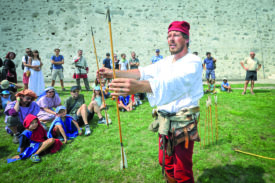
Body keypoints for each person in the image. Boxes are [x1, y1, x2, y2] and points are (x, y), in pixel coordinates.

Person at [98, 20, 203, 183]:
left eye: (176, 35)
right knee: (165, 162)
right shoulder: (166, 61)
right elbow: (142, 71)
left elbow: (176, 83)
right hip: (165, 119)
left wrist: (139, 87)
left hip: (184, 121)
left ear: (186, 39)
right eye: (169, 36)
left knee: (182, 169)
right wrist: (113, 73)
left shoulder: (193, 61)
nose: (171, 39)